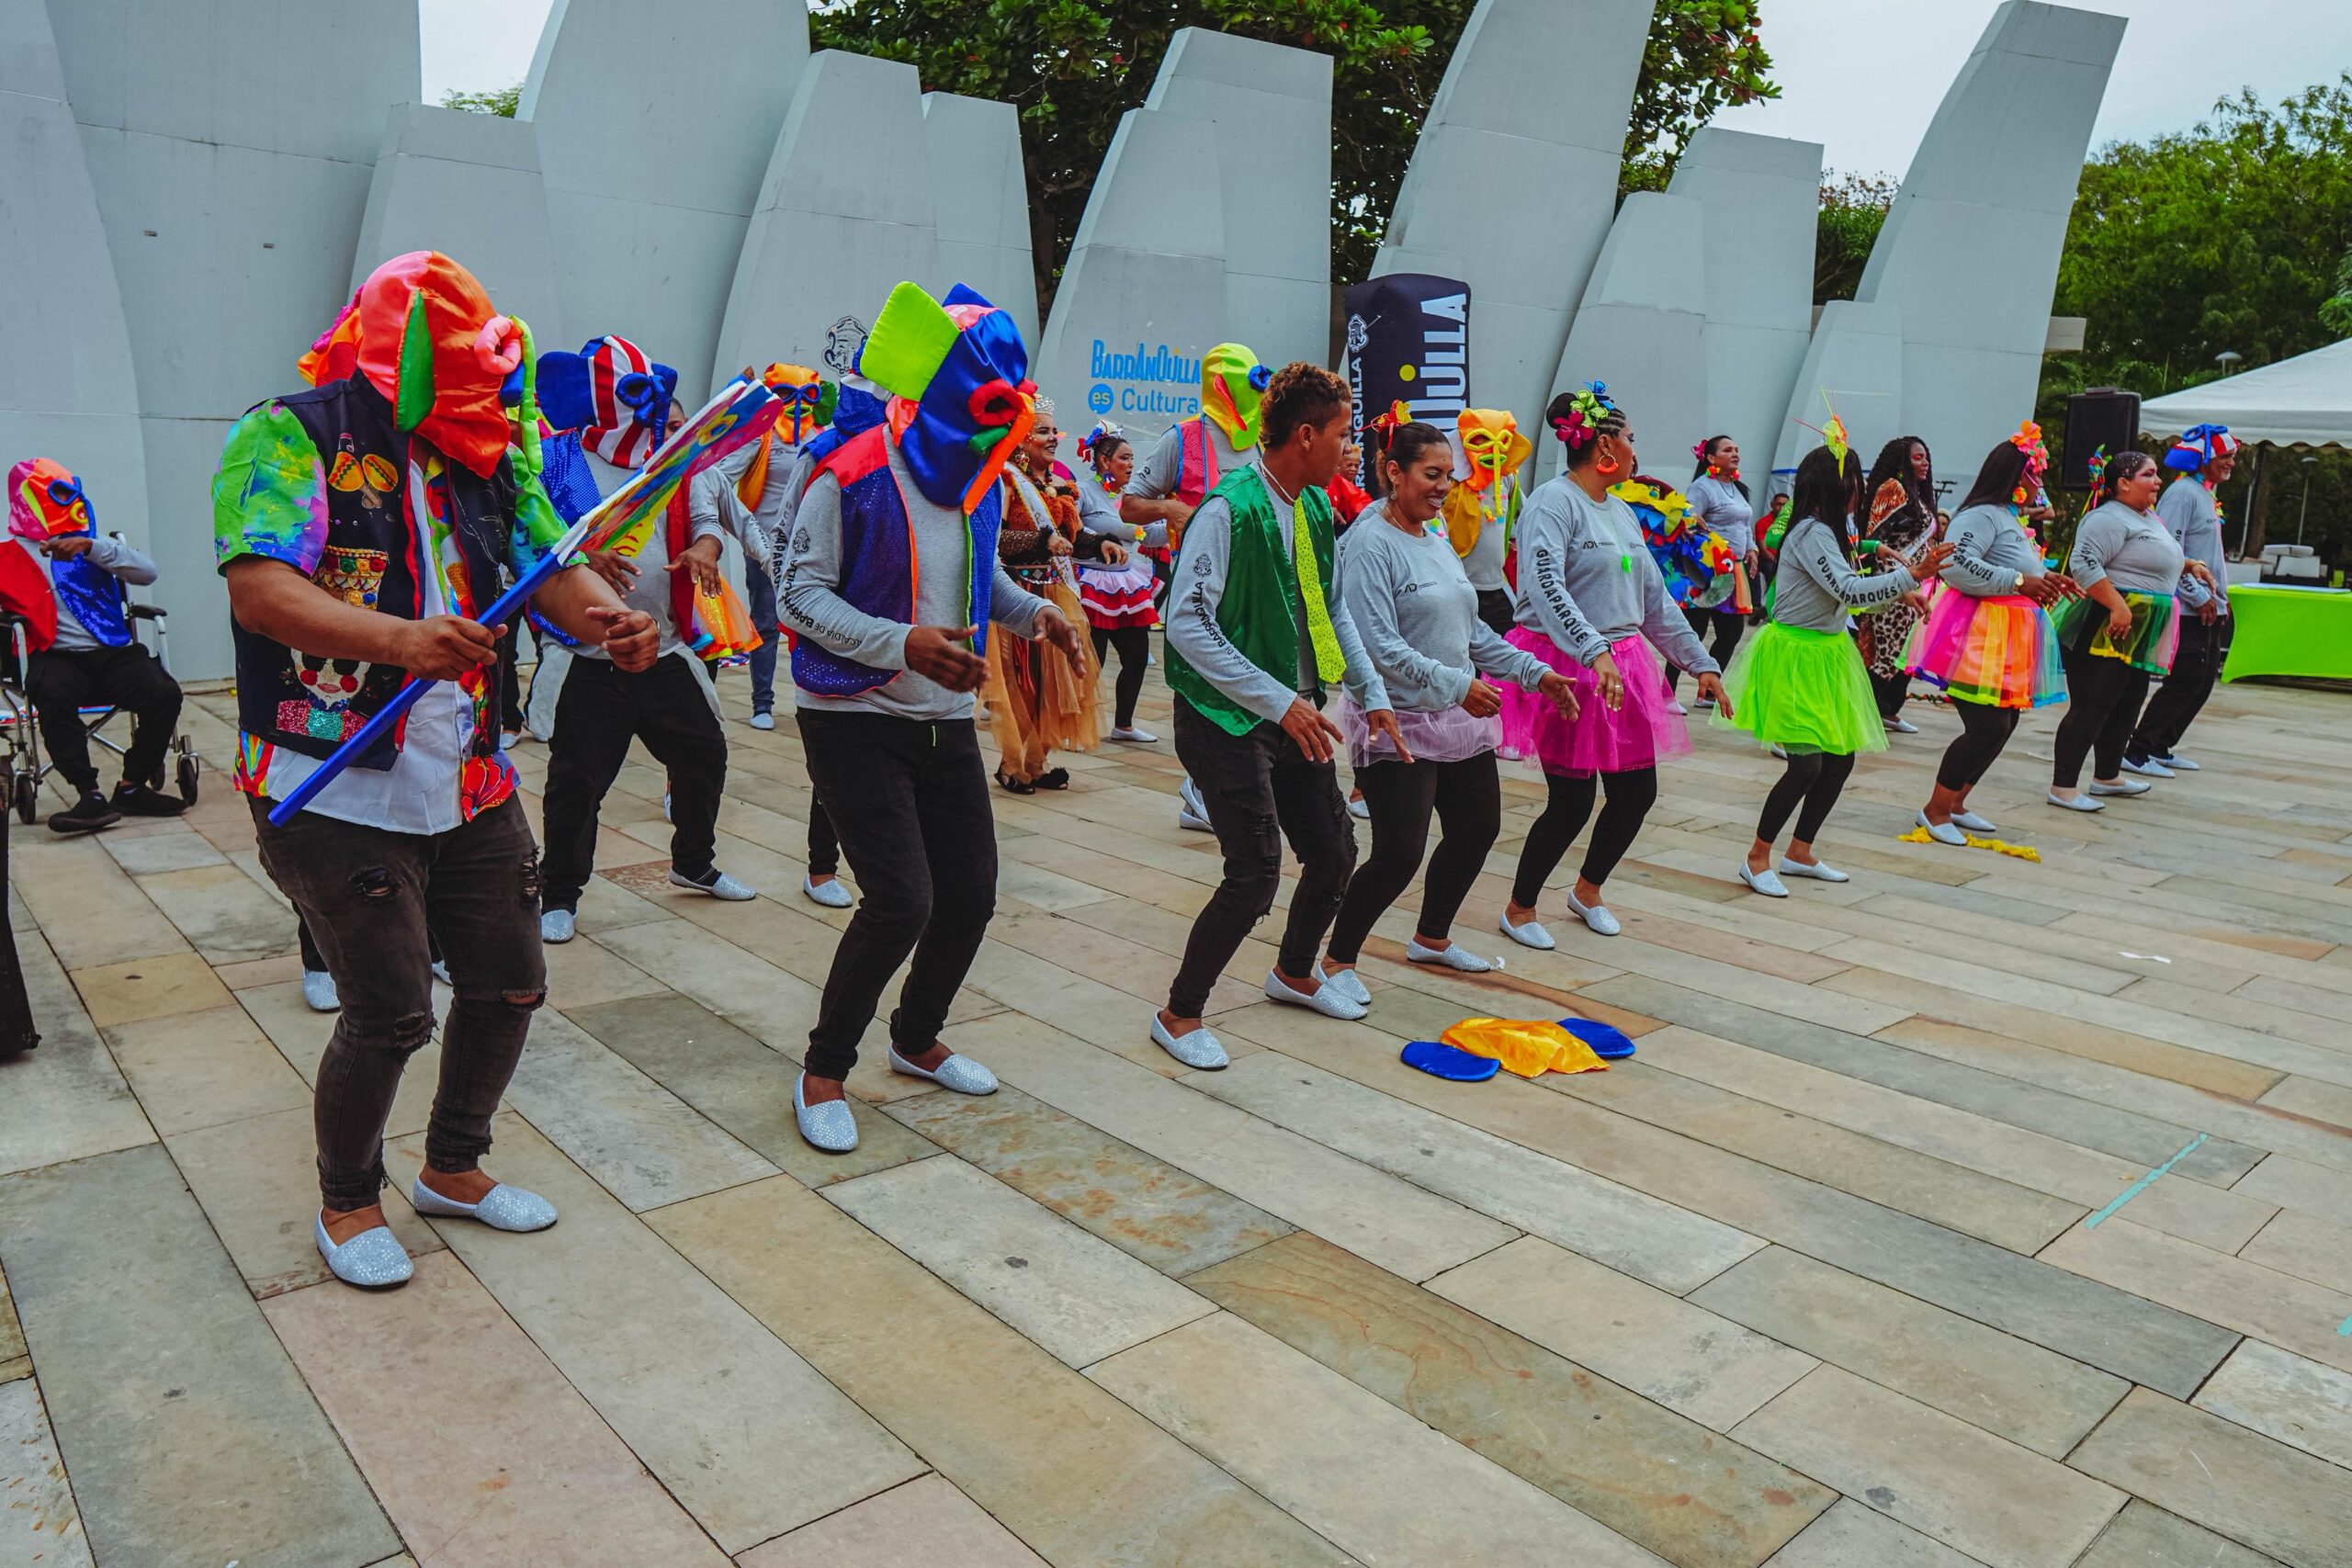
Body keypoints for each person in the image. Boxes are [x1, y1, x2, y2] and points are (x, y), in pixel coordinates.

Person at [214, 250, 661, 1288]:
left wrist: (613, 626)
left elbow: (556, 569)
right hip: (327, 780)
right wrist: (398, 640)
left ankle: (453, 1169)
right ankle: (348, 1199)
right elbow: (260, 589)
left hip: (467, 772)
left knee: (509, 984)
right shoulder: (287, 432)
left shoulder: (491, 450)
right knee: (389, 1011)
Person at [778, 281, 1084, 1153]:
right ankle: (824, 1069)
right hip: (851, 714)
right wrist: (901, 643)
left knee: (972, 895)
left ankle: (915, 1037)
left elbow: (979, 577)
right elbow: (797, 596)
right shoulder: (851, 470)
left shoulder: (980, 480)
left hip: (944, 718)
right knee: (901, 899)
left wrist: (1037, 616)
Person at [1150, 363, 1407, 1068]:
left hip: (1292, 711)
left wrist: (1373, 694)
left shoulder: (1315, 506)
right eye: (1340, 435)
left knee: (1333, 852)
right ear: (1303, 436)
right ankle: (1179, 1013)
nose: (1348, 449)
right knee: (1256, 869)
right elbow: (1185, 624)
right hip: (1224, 716)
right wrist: (1279, 699)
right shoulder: (1230, 507)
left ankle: (1295, 971)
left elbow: (1330, 611)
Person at [1319, 420, 1576, 998]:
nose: (1443, 488)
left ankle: (1432, 937)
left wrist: (1534, 673)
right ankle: (1335, 961)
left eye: (1448, 476)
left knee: (1477, 828)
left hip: (1455, 717)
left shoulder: (1434, 534)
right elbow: (1375, 644)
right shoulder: (1367, 544)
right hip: (1394, 717)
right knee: (1398, 854)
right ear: (1392, 471)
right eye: (1431, 475)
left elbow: (1471, 630)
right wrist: (1456, 685)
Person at [533, 337, 752, 944]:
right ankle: (560, 893)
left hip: (667, 649)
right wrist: (581, 559)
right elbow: (530, 538)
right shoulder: (554, 458)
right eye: (632, 393)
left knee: (704, 755)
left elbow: (708, 515)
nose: (646, 405)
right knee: (576, 783)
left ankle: (693, 862)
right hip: (589, 656)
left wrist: (705, 547)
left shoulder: (671, 458)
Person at [1498, 384, 1731, 944]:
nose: (1634, 449)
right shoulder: (1554, 503)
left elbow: (1652, 600)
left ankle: (1588, 889)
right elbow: (1545, 587)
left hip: (1621, 666)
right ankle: (1520, 907)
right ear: (1603, 444)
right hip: (1567, 666)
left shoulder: (1622, 511)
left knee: (1636, 793)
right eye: (1629, 439)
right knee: (1572, 800)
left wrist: (1701, 662)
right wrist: (1590, 648)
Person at [1719, 445, 1952, 894]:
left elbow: (1847, 593)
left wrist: (1900, 591)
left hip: (1828, 653)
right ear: (1837, 484)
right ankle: (1757, 856)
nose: (1861, 489)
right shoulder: (1810, 532)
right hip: (1795, 655)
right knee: (1806, 765)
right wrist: (1912, 575)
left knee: (1840, 758)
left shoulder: (1833, 531)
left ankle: (1800, 852)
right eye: (1856, 481)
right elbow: (1847, 588)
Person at [1905, 423, 2078, 843]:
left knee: (2007, 720)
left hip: (2011, 633)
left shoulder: (2007, 517)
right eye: (2034, 472)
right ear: (2015, 475)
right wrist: (2021, 582)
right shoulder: (1979, 515)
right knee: (1988, 725)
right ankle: (1935, 809)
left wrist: (2046, 578)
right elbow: (1956, 564)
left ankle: (1957, 801)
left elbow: (2016, 566)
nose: (2039, 482)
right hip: (1981, 631)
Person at [1124, 342, 1270, 831]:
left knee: (1241, 684)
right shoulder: (1182, 439)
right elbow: (1129, 506)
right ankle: (1199, 784)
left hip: (1250, 587)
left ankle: (1211, 787)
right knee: (1197, 684)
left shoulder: (1264, 441)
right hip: (1196, 587)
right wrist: (1170, 509)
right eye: (1248, 381)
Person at [7, 459, 187, 833]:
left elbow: (148, 572)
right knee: (53, 697)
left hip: (113, 653)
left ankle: (132, 786)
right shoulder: (7, 556)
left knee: (164, 693)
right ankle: (89, 796)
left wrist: (92, 546)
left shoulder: (95, 546)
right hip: (55, 655)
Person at [2047, 450, 2211, 812]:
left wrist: (2189, 564)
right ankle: (2063, 786)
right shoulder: (2105, 518)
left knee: (2127, 701)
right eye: (2149, 475)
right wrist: (2117, 606)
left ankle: (2107, 776)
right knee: (2093, 703)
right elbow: (2084, 563)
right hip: (2107, 621)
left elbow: (2151, 556)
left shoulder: (2146, 517)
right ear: (2123, 483)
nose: (2158, 482)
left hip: (2139, 624)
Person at [695, 363, 832, 731]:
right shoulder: (762, 437)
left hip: (812, 549)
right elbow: (721, 480)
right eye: (789, 395)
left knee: (817, 624)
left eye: (808, 395)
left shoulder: (823, 436)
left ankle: (816, 698)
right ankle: (762, 704)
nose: (799, 404)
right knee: (767, 623)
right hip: (765, 544)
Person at [984, 399, 1108, 792]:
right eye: (1043, 431)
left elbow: (1070, 539)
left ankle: (1037, 763)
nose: (1053, 438)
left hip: (1054, 592)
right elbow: (996, 539)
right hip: (1017, 594)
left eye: (1054, 431)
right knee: (1020, 685)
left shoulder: (1056, 486)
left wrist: (1099, 543)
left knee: (1051, 686)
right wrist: (1042, 539)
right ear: (1021, 440)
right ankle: (1010, 765)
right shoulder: (1004, 482)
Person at [2124, 423, 2239, 776]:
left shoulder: (2204, 493)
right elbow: (2170, 551)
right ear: (2204, 458)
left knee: (2202, 682)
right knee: (2185, 680)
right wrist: (2198, 594)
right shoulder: (2182, 494)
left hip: (2210, 607)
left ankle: (2160, 746)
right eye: (2225, 456)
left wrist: (2221, 597)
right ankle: (2137, 751)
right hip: (2190, 609)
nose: (2231, 463)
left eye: (2233, 457)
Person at [1073, 421, 1161, 743]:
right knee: (1091, 662)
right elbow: (1070, 530)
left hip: (1127, 586)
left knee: (1137, 658)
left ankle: (1123, 725)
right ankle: (1076, 725)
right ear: (1103, 461)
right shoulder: (1082, 493)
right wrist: (1099, 540)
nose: (1130, 464)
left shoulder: (1129, 498)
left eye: (1132, 458)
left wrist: (1182, 518)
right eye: (1124, 457)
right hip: (1091, 585)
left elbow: (1149, 533)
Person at [1855, 437, 1939, 731]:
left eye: (1925, 457)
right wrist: (1894, 583)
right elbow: (1874, 540)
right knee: (1886, 651)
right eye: (1918, 458)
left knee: (1907, 650)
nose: (1925, 462)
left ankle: (1888, 709)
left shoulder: (1917, 493)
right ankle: (1867, 710)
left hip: (1918, 584)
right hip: (1892, 583)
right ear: (1902, 461)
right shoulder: (1892, 489)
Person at [1668, 434, 1756, 709]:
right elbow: (1688, 519)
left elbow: (1744, 524)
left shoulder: (1736, 487)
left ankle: (1708, 691)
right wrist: (1695, 523)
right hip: (1708, 573)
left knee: (1732, 632)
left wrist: (1751, 548)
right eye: (1728, 449)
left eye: (1737, 449)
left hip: (1734, 571)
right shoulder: (1702, 487)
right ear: (1710, 457)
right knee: (1692, 632)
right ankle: (1665, 694)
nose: (1735, 453)